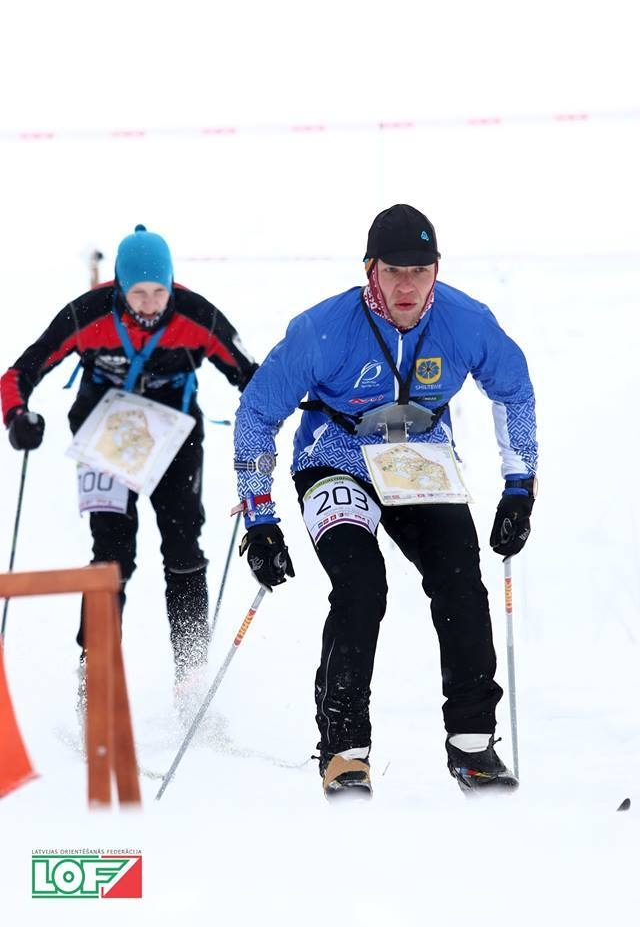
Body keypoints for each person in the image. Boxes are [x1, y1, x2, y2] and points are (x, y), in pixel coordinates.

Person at [234, 204, 538, 797]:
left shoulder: (466, 321)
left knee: (460, 580)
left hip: (418, 458)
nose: (407, 285)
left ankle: (473, 743)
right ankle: (344, 748)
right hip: (336, 457)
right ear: (369, 268)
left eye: (420, 271)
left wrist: (519, 487)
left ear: (437, 270)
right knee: (361, 585)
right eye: (394, 270)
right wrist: (260, 517)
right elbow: (256, 415)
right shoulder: (321, 329)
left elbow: (515, 391)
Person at [1, 224, 258, 702]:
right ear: (119, 286)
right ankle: (94, 674)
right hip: (107, 438)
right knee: (112, 558)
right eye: (137, 292)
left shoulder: (196, 314)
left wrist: (262, 413)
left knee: (183, 551)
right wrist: (18, 416)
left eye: (159, 291)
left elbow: (252, 374)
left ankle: (191, 676)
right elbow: (20, 372)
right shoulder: (88, 313)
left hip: (174, 439)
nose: (149, 304)